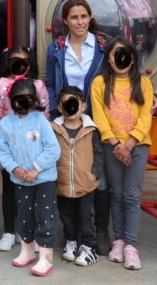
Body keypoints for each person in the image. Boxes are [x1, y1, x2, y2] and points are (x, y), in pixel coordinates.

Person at [44, 0, 110, 255]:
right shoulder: (57, 48)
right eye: (74, 17)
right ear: (66, 21)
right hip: (68, 120)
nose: (80, 22)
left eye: (84, 16)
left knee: (97, 177)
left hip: (95, 118)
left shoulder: (103, 45)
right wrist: (55, 112)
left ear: (90, 18)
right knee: (68, 174)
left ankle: (99, 231)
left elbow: (121, 74)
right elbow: (51, 82)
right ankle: (71, 233)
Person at [90, 37, 153, 271]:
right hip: (111, 145)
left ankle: (131, 245)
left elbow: (146, 115)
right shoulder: (99, 83)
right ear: (109, 58)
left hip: (138, 146)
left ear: (133, 58)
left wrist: (130, 143)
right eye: (116, 53)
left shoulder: (143, 83)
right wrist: (116, 143)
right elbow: (99, 116)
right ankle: (118, 241)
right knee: (116, 194)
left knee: (131, 195)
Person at [0, 78, 60, 277]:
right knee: (23, 216)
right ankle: (27, 250)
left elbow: (53, 149)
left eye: (28, 98)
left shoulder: (41, 121)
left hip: (44, 180)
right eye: (18, 98)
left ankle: (46, 258)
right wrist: (15, 169)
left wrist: (35, 169)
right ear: (11, 99)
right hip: (20, 180)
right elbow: (3, 151)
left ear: (34, 100)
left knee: (45, 217)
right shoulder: (5, 123)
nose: (23, 102)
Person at [0, 46, 49, 253]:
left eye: (24, 60)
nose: (19, 64)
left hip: (34, 147)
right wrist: (6, 142)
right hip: (9, 145)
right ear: (7, 62)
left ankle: (26, 231)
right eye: (14, 60)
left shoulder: (38, 85)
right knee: (9, 189)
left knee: (32, 190)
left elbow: (44, 114)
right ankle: (9, 230)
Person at [51, 86, 103, 267]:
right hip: (62, 183)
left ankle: (89, 246)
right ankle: (71, 241)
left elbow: (99, 154)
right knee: (66, 216)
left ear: (83, 106)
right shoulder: (54, 129)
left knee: (85, 216)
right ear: (60, 107)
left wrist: (94, 174)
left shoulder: (91, 130)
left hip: (85, 184)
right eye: (66, 103)